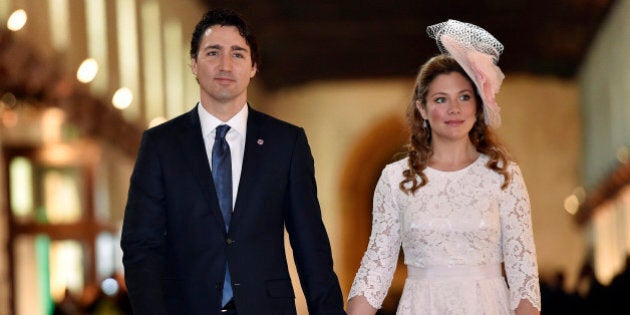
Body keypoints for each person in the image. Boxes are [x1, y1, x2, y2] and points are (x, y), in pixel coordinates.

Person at [120, 8, 345, 315]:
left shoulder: (286, 143)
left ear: (253, 67)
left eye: (238, 54)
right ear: (194, 64)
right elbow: (140, 246)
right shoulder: (161, 145)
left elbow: (310, 244)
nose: (225, 65)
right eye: (213, 52)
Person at [346, 20, 541, 315]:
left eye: (464, 97)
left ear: (478, 106)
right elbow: (377, 265)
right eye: (441, 99)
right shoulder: (395, 178)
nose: (455, 109)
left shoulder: (504, 176)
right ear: (423, 109)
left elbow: (524, 274)